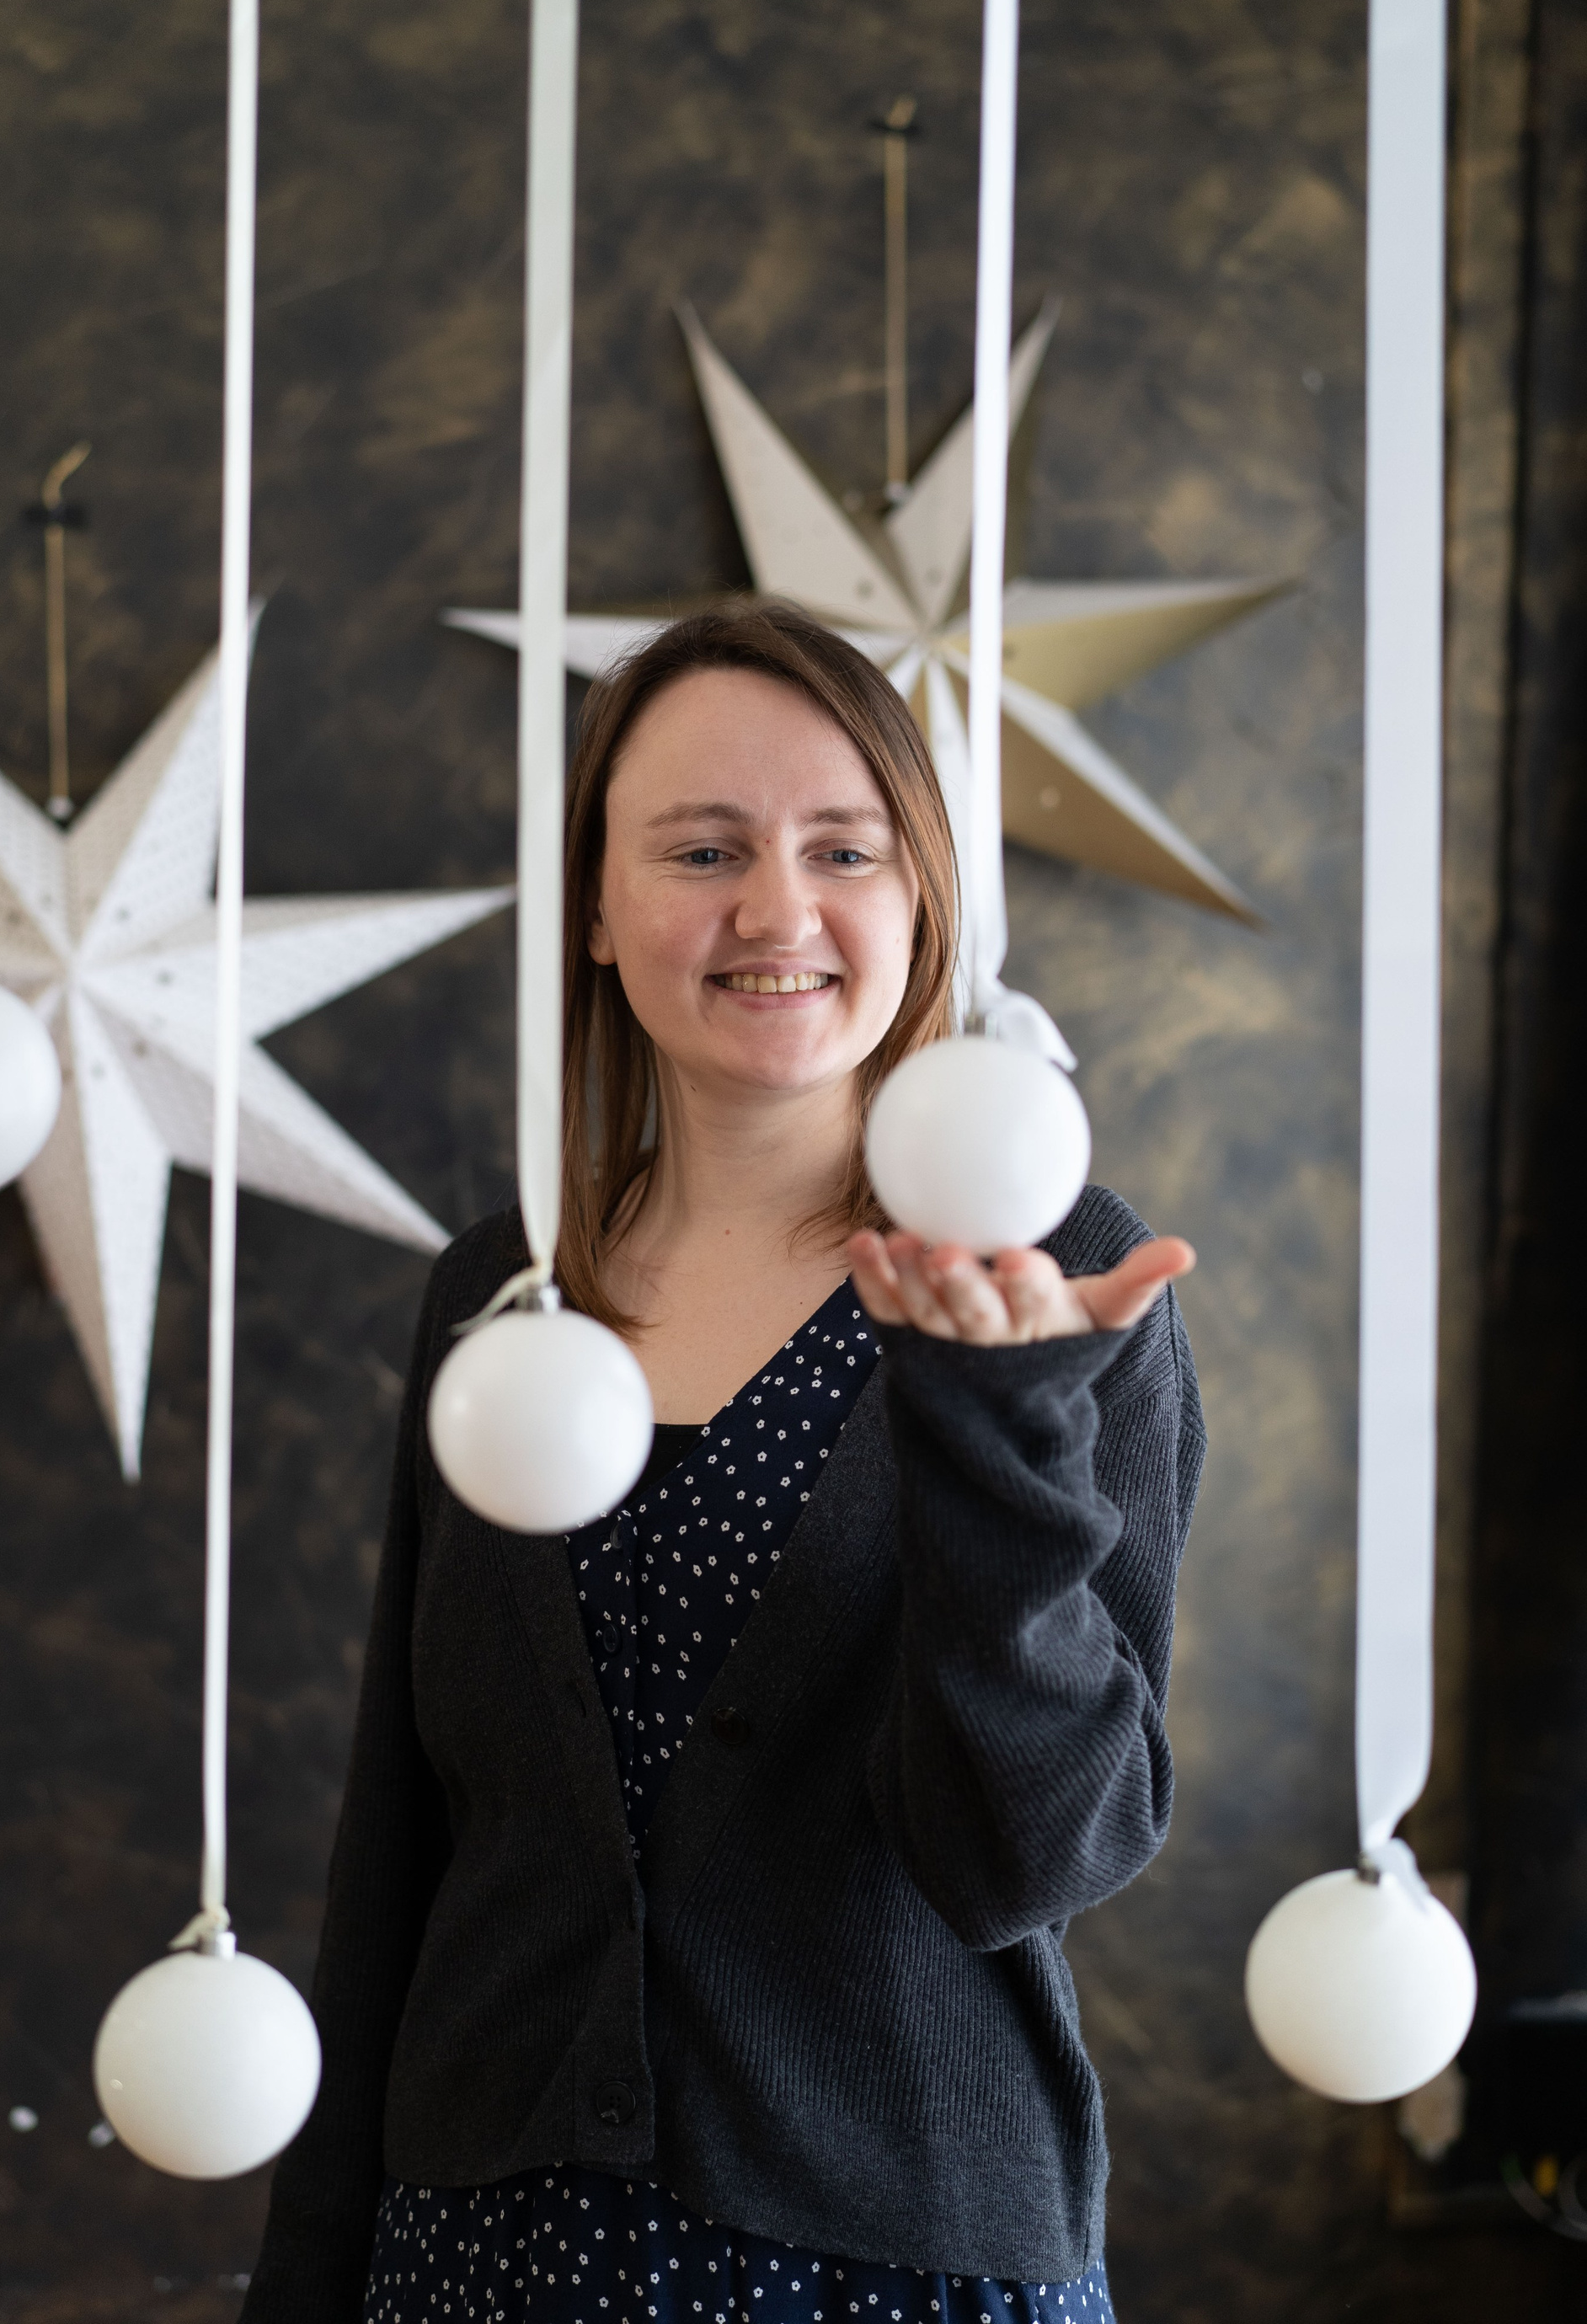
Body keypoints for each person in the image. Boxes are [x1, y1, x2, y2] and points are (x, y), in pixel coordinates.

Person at [240, 601, 1203, 2324]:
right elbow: (402, 1842)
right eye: (703, 850)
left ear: (924, 898)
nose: (777, 910)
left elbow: (1031, 1860)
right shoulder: (504, 1295)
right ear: (599, 914)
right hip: (480, 2263)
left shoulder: (1056, 1278)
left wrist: (995, 1427)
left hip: (903, 2267)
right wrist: (306, 2278)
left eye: (844, 848)